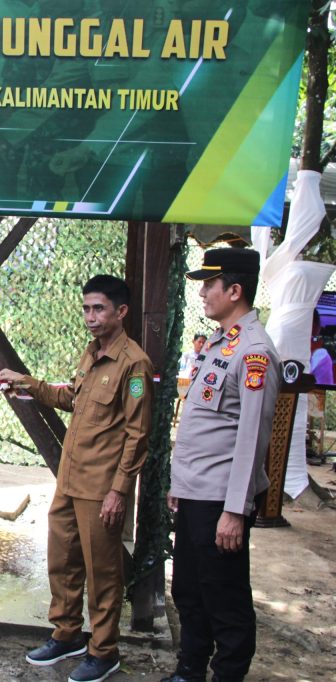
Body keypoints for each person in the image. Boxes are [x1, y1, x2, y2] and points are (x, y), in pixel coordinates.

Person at [0, 275, 154, 682]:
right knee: (62, 560)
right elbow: (70, 398)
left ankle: (104, 651)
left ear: (121, 311)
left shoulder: (133, 364)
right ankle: (67, 634)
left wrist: (119, 491)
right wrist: (25, 383)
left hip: (101, 488)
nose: (90, 317)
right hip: (69, 480)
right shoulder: (91, 353)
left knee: (102, 574)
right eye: (86, 308)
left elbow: (138, 434)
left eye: (99, 308)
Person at [163, 248, 280, 682]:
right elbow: (203, 424)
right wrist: (180, 484)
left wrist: (235, 510)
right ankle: (189, 670)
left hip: (221, 500)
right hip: (196, 493)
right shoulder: (219, 342)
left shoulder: (254, 352)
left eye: (209, 285)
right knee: (189, 591)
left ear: (234, 291)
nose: (203, 294)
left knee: (225, 600)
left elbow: (251, 439)